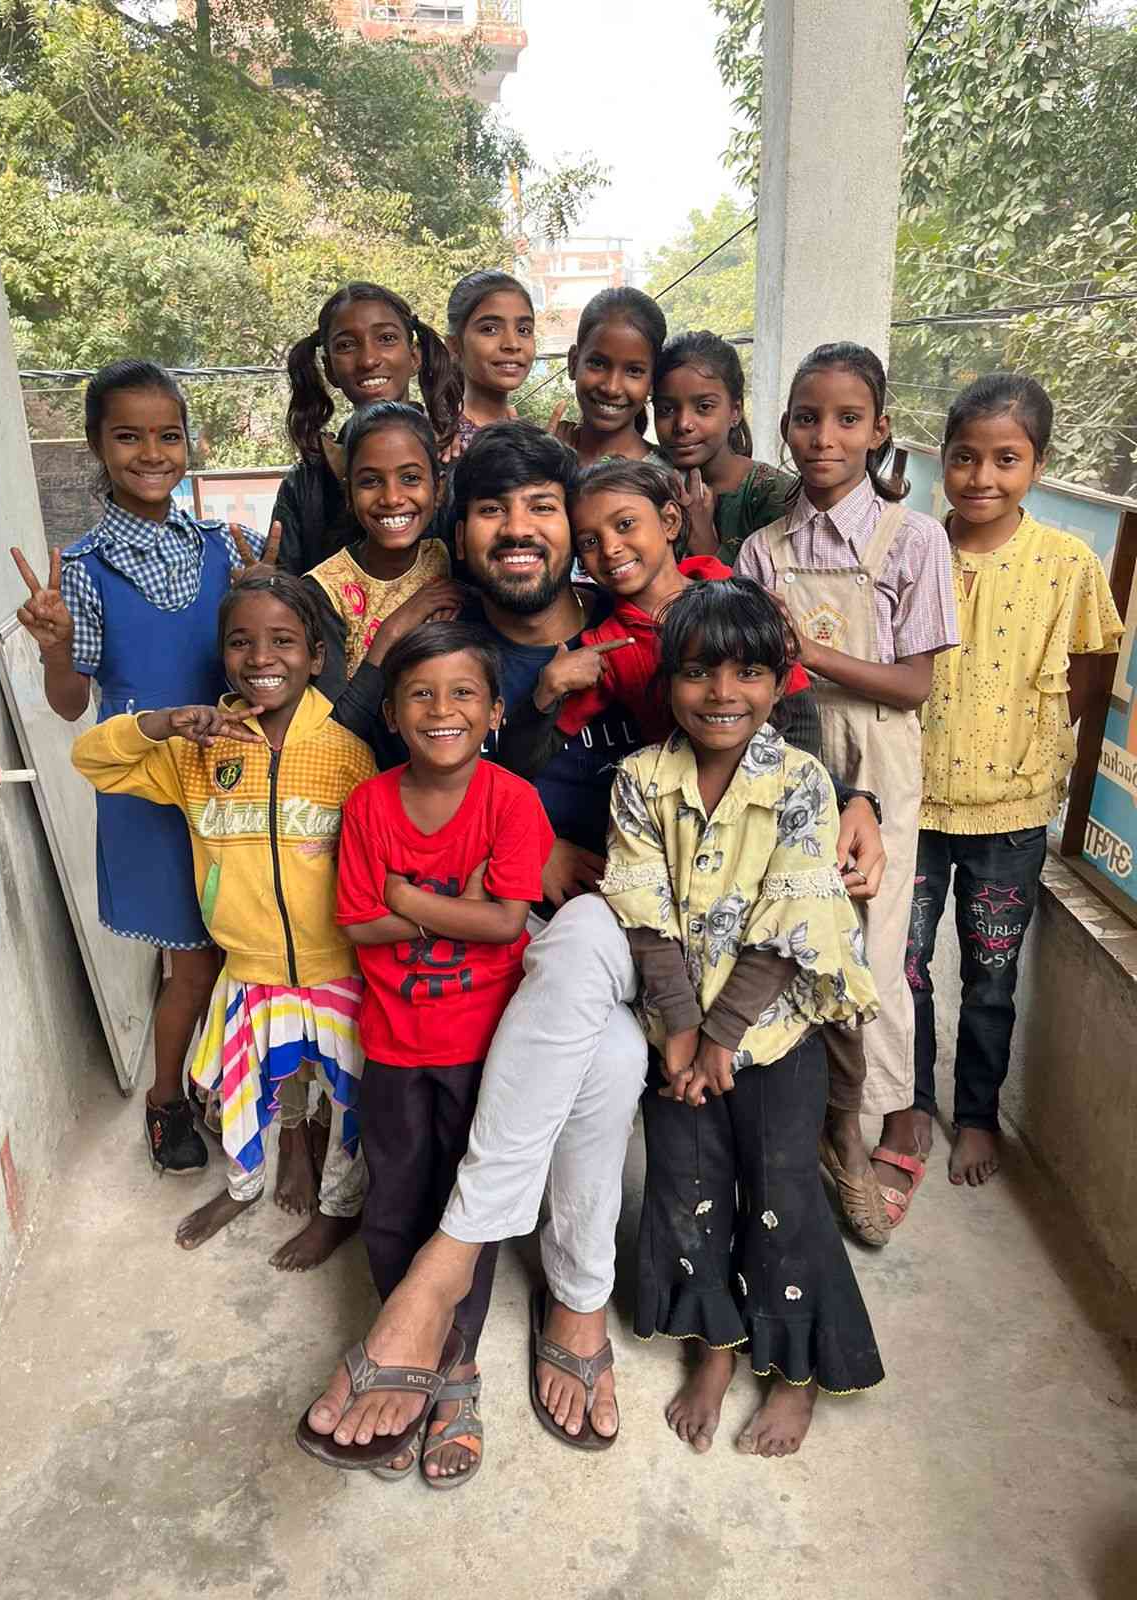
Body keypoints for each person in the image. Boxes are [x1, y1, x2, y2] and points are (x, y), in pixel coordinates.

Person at [298, 423, 886, 1465]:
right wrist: (393, 643)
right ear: (458, 531)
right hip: (566, 939)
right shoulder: (457, 652)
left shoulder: (650, 626)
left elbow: (766, 717)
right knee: (607, 1047)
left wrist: (863, 795)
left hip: (654, 933)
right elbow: (352, 739)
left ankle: (449, 1266)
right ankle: (575, 1305)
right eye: (489, 510)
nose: (520, 531)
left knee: (593, 988)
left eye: (542, 512)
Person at [601, 579, 883, 1457]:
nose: (723, 694)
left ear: (779, 682)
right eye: (699, 673)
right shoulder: (641, 782)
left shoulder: (803, 783)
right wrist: (681, 1032)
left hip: (776, 1034)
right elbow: (643, 909)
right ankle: (715, 1347)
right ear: (667, 682)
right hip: (677, 1036)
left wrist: (720, 1036)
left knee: (784, 1193)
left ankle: (793, 1371)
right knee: (686, 1190)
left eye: (749, 674)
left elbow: (792, 918)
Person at [305, 622, 553, 1487]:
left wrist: (406, 897)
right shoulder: (371, 806)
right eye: (420, 694)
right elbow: (360, 921)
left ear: (492, 713)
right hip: (397, 1045)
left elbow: (505, 923)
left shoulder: (512, 802)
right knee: (394, 1200)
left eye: (461, 694)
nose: (440, 709)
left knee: (466, 1209)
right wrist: (427, 906)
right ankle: (399, 1342)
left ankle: (455, 1367)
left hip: (485, 1047)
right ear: (395, 716)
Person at [71, 574, 375, 1266]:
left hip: (336, 969)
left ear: (316, 656)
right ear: (223, 655)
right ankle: (243, 1186)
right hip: (247, 966)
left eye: (282, 641)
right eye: (242, 642)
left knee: (349, 1099)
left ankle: (338, 1210)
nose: (261, 657)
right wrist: (163, 722)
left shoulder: (347, 755)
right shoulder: (197, 752)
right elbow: (89, 759)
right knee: (243, 1095)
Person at [10, 359, 266, 1178]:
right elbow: (67, 703)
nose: (151, 452)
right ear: (96, 445)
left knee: (243, 947)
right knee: (191, 963)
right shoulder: (82, 570)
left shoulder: (221, 545)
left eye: (168, 434)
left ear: (190, 442)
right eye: (128, 436)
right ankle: (165, 1103)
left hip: (231, 778)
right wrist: (55, 646)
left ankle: (223, 1084)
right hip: (151, 788)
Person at [738, 342, 959, 1235]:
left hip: (879, 755)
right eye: (804, 418)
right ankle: (803, 1128)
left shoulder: (914, 540)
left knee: (871, 947)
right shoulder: (763, 546)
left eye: (845, 419)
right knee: (792, 933)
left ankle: (865, 1132)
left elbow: (912, 685)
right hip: (790, 748)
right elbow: (758, 678)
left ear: (880, 429)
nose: (822, 436)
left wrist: (812, 652)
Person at [908, 375, 1123, 1187]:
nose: (982, 478)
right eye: (965, 457)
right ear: (943, 461)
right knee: (907, 967)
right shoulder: (916, 550)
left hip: (1013, 810)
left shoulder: (1067, 565)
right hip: (917, 802)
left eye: (1006, 459)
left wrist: (1047, 750)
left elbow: (1090, 674)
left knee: (991, 977)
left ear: (1038, 463)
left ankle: (976, 1117)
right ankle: (912, 1102)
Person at [497, 456, 819, 773]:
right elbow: (522, 762)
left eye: (625, 524)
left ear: (669, 522)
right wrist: (548, 689)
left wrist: (795, 788)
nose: (609, 549)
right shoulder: (607, 646)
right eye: (590, 541)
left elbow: (797, 709)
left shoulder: (741, 597)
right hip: (675, 807)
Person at [303, 403, 462, 765]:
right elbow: (337, 733)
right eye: (371, 481)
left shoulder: (449, 558)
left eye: (410, 478)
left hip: (447, 776)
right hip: (360, 783)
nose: (391, 498)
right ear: (348, 494)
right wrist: (391, 633)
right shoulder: (325, 590)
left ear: (437, 490)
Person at [276, 282, 459, 574]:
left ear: (414, 357)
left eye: (386, 338)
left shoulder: (457, 460)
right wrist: (264, 588)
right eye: (346, 346)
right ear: (330, 370)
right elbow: (287, 592)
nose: (368, 360)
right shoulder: (307, 483)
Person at [652, 330, 795, 563]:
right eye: (666, 409)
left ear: (735, 412)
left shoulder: (775, 495)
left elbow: (773, 594)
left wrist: (704, 542)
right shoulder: (650, 483)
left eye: (704, 407)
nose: (683, 424)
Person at [548, 287, 670, 467]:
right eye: (598, 364)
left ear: (653, 379)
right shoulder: (539, 459)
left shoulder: (672, 480)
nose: (612, 388)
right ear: (574, 362)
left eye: (634, 371)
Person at [444, 270, 536, 454]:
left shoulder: (535, 439)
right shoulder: (441, 440)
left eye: (524, 330)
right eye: (490, 329)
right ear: (454, 346)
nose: (512, 344)